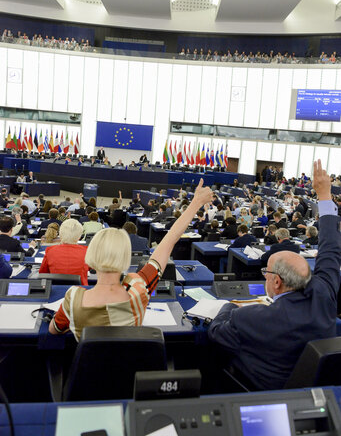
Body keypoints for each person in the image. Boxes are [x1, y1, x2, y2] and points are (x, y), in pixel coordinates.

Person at [208, 160, 341, 390]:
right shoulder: (324, 294)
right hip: (316, 394)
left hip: (262, 394)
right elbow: (330, 249)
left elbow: (216, 333)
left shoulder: (253, 318)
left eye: (266, 273)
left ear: (277, 282)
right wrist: (325, 196)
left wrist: (230, 307)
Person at [49, 178, 213, 340]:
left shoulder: (73, 298)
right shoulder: (138, 288)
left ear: (91, 254)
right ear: (125, 256)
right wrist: (196, 203)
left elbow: (54, 330)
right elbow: (170, 240)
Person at [39, 219, 88, 285]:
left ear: (60, 234)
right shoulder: (86, 251)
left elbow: (42, 273)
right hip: (80, 291)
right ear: (79, 237)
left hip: (56, 290)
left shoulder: (50, 250)